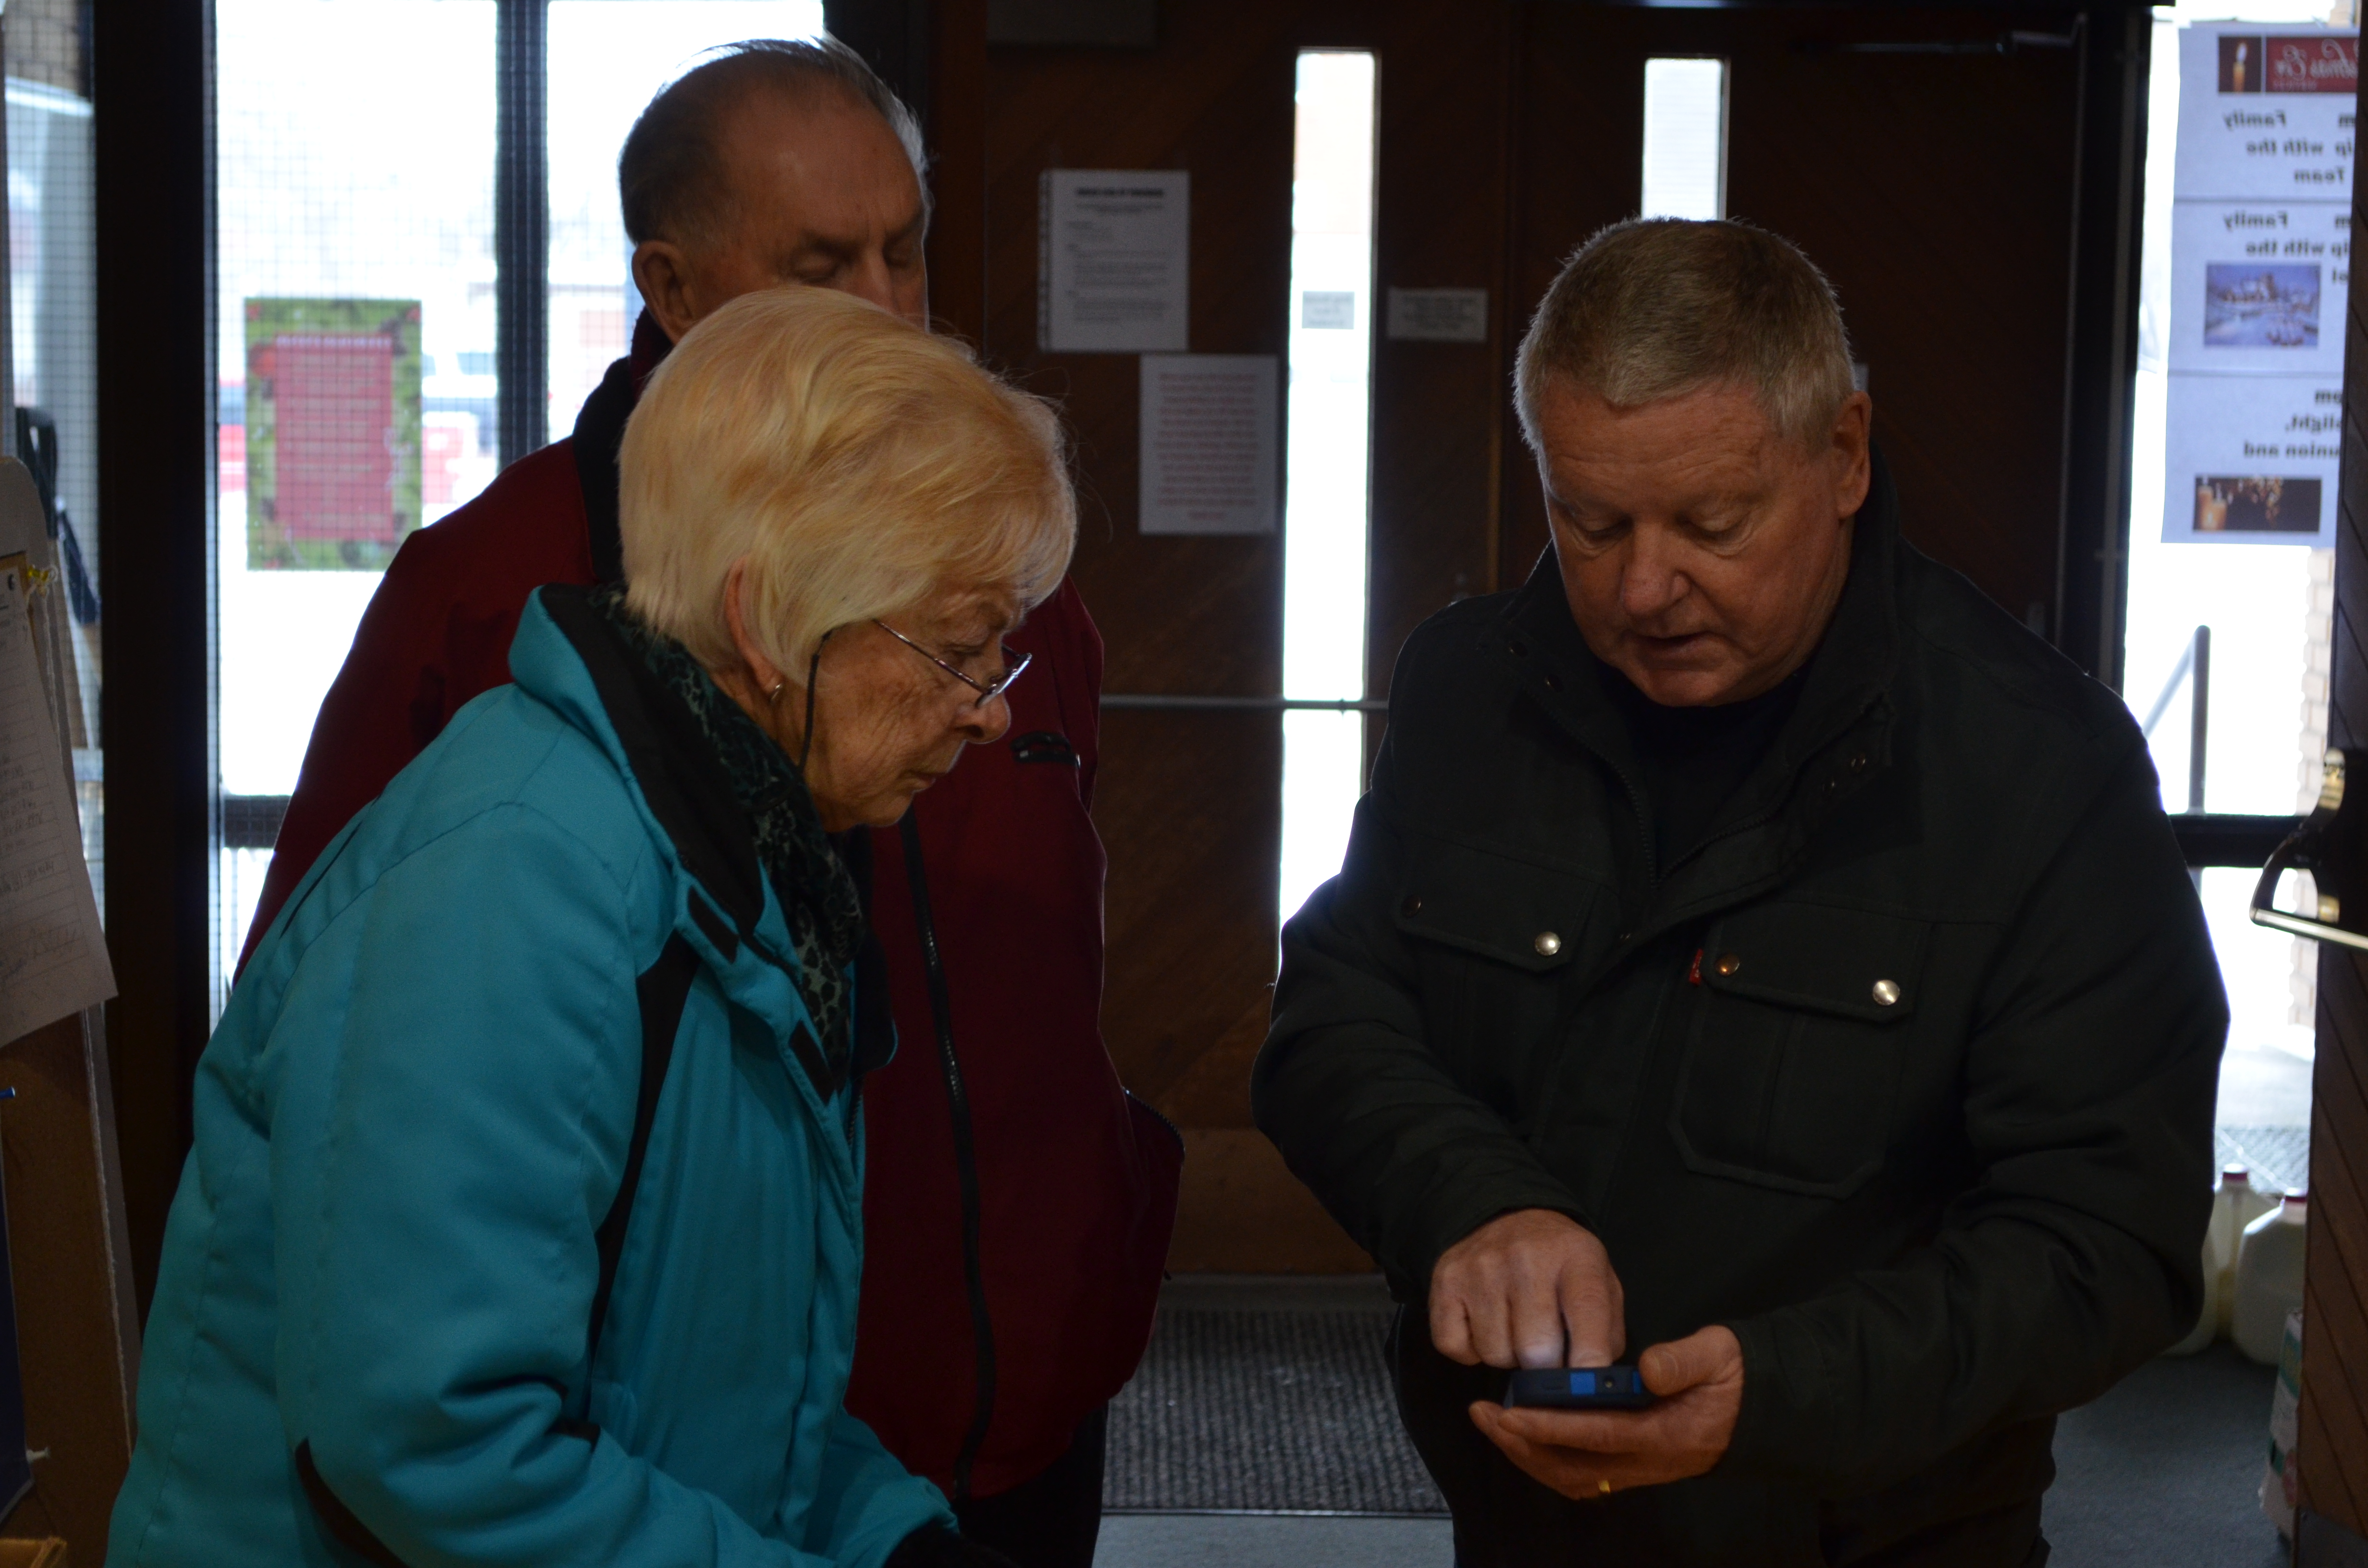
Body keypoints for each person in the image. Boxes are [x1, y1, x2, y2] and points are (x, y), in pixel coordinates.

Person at [237, 40, 1179, 1568]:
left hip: (885, 1449)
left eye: (907, 248)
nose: (889, 306)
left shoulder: (970, 601)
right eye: (824, 262)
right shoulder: (502, 746)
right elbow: (431, 1407)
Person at [1251, 219, 2224, 1566]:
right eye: (1589, 524)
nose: (1646, 588)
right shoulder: (1472, 690)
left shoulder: (2042, 771)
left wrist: (1780, 1394)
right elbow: (1339, 1021)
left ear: (1843, 456)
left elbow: (2107, 1245)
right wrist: (1473, 1199)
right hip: (1522, 1524)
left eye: (1713, 524)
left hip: (1878, 1535)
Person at [110, 287, 1071, 1567]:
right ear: (767, 620)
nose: (991, 712)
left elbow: (727, 1393)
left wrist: (891, 1536)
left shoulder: (746, 856)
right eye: (961, 649)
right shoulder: (514, 876)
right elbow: (435, 1448)